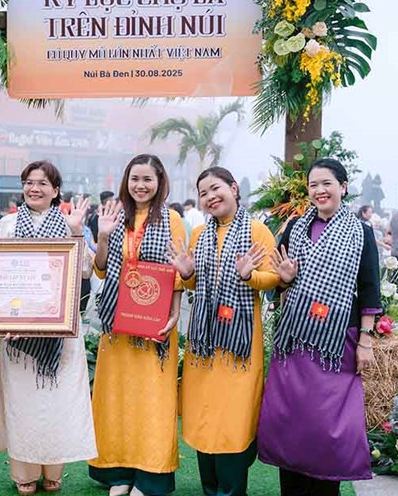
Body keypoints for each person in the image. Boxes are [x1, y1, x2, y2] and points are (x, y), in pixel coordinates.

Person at [258, 158, 380, 496]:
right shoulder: (295, 227)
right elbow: (279, 280)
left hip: (335, 343)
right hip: (295, 341)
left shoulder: (360, 232)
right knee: (290, 419)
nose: (319, 190)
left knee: (328, 425)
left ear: (343, 187)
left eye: (326, 183)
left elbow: (369, 287)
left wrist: (365, 342)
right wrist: (283, 281)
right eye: (313, 185)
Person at [167, 167, 279, 496]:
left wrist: (250, 276)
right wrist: (187, 274)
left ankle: (231, 489)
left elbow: (272, 278)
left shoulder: (258, 231)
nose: (210, 197)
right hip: (204, 344)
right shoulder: (200, 234)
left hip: (240, 345)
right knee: (204, 415)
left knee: (233, 418)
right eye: (203, 193)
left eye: (216, 189)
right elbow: (194, 281)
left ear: (233, 188)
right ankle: (210, 487)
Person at [0, 160, 97, 496]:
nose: (33, 188)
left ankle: (55, 470)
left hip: (61, 332)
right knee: (23, 401)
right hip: (18, 332)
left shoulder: (70, 224)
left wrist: (78, 231)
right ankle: (23, 472)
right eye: (28, 182)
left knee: (57, 400)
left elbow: (85, 272)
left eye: (42, 183)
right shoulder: (7, 225)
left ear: (55, 190)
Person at [89, 154, 186, 496]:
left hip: (155, 324)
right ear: (125, 182)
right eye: (134, 179)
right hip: (117, 322)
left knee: (152, 398)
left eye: (147, 179)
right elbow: (101, 269)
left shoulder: (171, 219)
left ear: (160, 182)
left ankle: (150, 476)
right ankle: (119, 473)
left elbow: (175, 272)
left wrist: (174, 314)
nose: (140, 185)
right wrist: (101, 237)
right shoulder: (115, 216)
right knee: (115, 397)